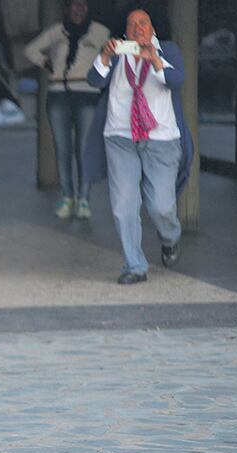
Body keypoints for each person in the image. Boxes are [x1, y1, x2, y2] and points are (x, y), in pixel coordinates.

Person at [82, 6, 194, 284]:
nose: (138, 28)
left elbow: (177, 79)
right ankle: (134, 265)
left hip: (161, 140)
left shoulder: (166, 50)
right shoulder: (119, 53)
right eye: (132, 25)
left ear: (152, 29)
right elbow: (95, 80)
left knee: (161, 206)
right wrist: (105, 56)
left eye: (143, 23)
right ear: (125, 32)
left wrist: (154, 59)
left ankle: (170, 237)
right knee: (124, 205)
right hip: (120, 138)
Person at [24, 0, 110, 219]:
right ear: (66, 9)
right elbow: (30, 50)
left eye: (83, 6)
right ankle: (67, 196)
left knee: (83, 149)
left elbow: (116, 52)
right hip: (59, 93)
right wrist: (46, 62)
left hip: (88, 93)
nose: (79, 10)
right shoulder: (57, 32)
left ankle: (84, 198)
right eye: (75, 6)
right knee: (62, 149)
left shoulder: (100, 32)